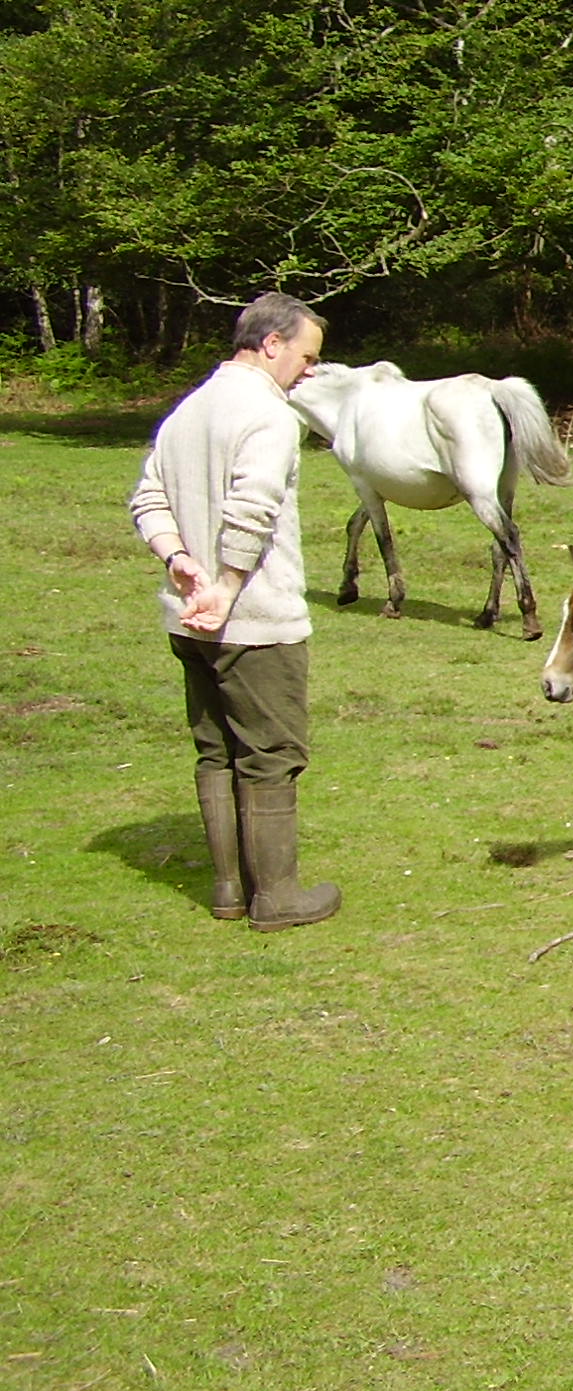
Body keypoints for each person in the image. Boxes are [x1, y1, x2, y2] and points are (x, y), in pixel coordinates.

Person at [130, 292, 342, 930]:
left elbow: (147, 497)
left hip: (186, 619)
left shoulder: (188, 410)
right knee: (272, 754)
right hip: (252, 621)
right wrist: (224, 585)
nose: (309, 370)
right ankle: (277, 897)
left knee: (216, 750)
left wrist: (175, 560)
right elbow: (253, 509)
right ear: (272, 344)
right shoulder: (270, 416)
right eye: (306, 356)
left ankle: (229, 889)